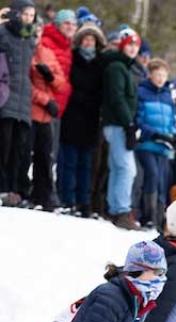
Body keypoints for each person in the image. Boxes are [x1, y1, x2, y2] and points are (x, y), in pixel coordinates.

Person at [57, 22, 105, 217]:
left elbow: (101, 90)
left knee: (86, 164)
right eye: (85, 39)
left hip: (91, 119)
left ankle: (84, 202)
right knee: (69, 161)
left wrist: (93, 101)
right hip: (71, 115)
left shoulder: (100, 63)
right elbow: (69, 83)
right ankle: (67, 199)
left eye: (91, 40)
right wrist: (80, 97)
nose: (88, 43)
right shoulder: (72, 58)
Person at [29, 8, 72, 210]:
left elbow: (62, 83)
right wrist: (45, 100)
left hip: (47, 113)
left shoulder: (47, 52)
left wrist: (50, 77)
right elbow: (23, 84)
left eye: (39, 31)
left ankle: (43, 195)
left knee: (46, 155)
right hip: (32, 109)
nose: (36, 34)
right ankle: (23, 190)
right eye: (34, 31)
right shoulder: (28, 51)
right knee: (26, 154)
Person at [99, 26, 140, 229]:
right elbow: (117, 98)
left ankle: (115, 208)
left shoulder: (125, 68)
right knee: (127, 169)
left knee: (118, 167)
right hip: (118, 124)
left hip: (120, 124)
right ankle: (122, 210)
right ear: (122, 46)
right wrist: (128, 123)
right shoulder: (117, 67)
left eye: (136, 45)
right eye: (129, 45)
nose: (132, 48)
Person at [133, 58, 176, 228]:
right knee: (151, 175)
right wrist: (154, 134)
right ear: (150, 75)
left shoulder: (167, 96)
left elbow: (172, 120)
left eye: (164, 75)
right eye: (157, 75)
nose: (160, 79)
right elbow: (139, 119)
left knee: (161, 180)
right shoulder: (142, 92)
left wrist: (172, 135)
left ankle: (158, 218)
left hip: (164, 146)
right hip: (147, 143)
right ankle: (147, 215)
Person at [0, 0, 36, 206]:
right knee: (3, 144)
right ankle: (2, 187)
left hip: (23, 99)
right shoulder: (3, 33)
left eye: (31, 15)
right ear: (16, 13)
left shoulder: (30, 39)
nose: (28, 19)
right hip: (5, 96)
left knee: (19, 148)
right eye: (25, 14)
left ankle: (12, 190)